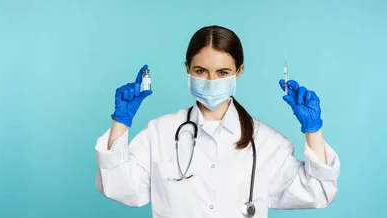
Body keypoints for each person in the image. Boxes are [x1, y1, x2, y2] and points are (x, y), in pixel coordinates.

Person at [94, 25, 341, 218]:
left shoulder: (265, 142)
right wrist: (121, 122)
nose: (211, 80)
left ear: (239, 71)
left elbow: (316, 192)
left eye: (222, 73)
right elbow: (120, 187)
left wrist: (313, 129)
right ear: (187, 69)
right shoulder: (160, 132)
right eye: (201, 71)